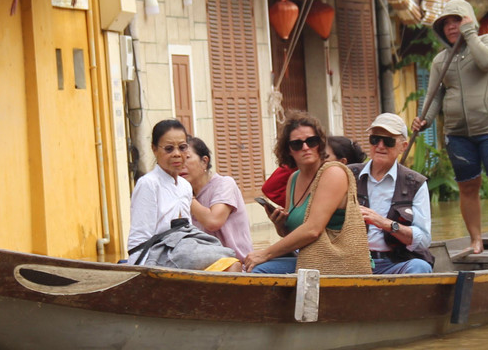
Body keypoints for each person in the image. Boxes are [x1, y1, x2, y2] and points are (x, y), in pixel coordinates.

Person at [411, 0, 488, 256]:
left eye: (457, 20)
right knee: (468, 186)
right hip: (458, 134)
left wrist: (470, 33)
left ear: (468, 20)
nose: (451, 26)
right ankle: (476, 240)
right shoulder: (441, 60)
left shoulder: (487, 42)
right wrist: (424, 120)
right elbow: (434, 95)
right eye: (446, 23)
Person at [243, 114, 368, 275]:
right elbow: (293, 235)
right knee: (248, 266)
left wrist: (264, 253)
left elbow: (313, 230)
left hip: (336, 262)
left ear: (320, 144)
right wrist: (280, 225)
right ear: (288, 150)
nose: (305, 147)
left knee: (259, 270)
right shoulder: (294, 179)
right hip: (308, 260)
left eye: (311, 141)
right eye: (297, 144)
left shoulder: (333, 173)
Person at [351, 113, 434, 274]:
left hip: (395, 262)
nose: (380, 146)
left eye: (388, 141)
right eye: (375, 139)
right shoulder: (348, 175)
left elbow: (423, 240)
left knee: (419, 267)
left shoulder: (416, 183)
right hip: (353, 262)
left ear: (403, 146)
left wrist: (385, 224)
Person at [127, 119, 195, 253]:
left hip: (184, 253)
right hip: (159, 256)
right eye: (169, 149)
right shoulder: (149, 184)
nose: (177, 154)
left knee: (229, 259)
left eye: (182, 147)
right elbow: (139, 238)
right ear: (154, 149)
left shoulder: (185, 186)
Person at [184, 137, 253, 260]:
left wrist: (185, 195)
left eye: (187, 158)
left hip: (236, 264)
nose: (181, 165)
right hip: (202, 263)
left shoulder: (224, 184)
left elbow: (213, 221)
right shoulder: (182, 193)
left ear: (204, 161)